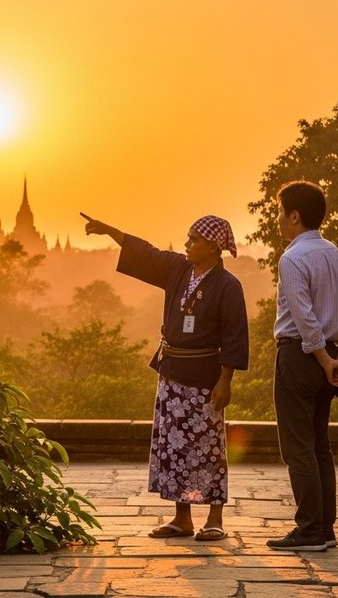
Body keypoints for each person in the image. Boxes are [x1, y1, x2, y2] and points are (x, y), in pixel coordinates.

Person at [82, 212, 249, 541]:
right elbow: (146, 252)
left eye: (193, 239)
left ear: (214, 246)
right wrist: (109, 230)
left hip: (205, 378)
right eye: (187, 238)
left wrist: (225, 380)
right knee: (173, 447)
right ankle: (181, 517)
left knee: (206, 449)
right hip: (172, 371)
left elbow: (235, 336)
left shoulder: (228, 286)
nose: (187, 244)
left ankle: (214, 517)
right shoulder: (178, 269)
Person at [266, 180, 338, 553]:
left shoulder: (292, 258)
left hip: (301, 356)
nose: (278, 220)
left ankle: (309, 529)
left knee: (298, 448)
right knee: (319, 443)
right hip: (329, 356)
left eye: (280, 212)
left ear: (294, 215)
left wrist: (324, 360)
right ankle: (324, 527)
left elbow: (304, 317)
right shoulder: (337, 253)